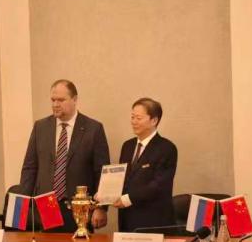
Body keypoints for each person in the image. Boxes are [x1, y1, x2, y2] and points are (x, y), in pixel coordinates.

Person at [19, 79, 110, 232]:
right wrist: (23, 207)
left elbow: (101, 172)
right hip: (46, 205)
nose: (55, 104)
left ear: (74, 99)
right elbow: (30, 168)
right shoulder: (41, 127)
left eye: (61, 100)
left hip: (79, 208)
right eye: (53, 100)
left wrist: (101, 207)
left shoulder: (93, 129)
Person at [108, 97, 177, 232]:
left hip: (153, 222)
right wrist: (106, 195)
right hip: (127, 221)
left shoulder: (166, 148)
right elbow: (122, 178)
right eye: (132, 117)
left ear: (154, 120)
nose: (133, 122)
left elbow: (158, 185)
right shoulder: (127, 146)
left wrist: (128, 199)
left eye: (138, 118)